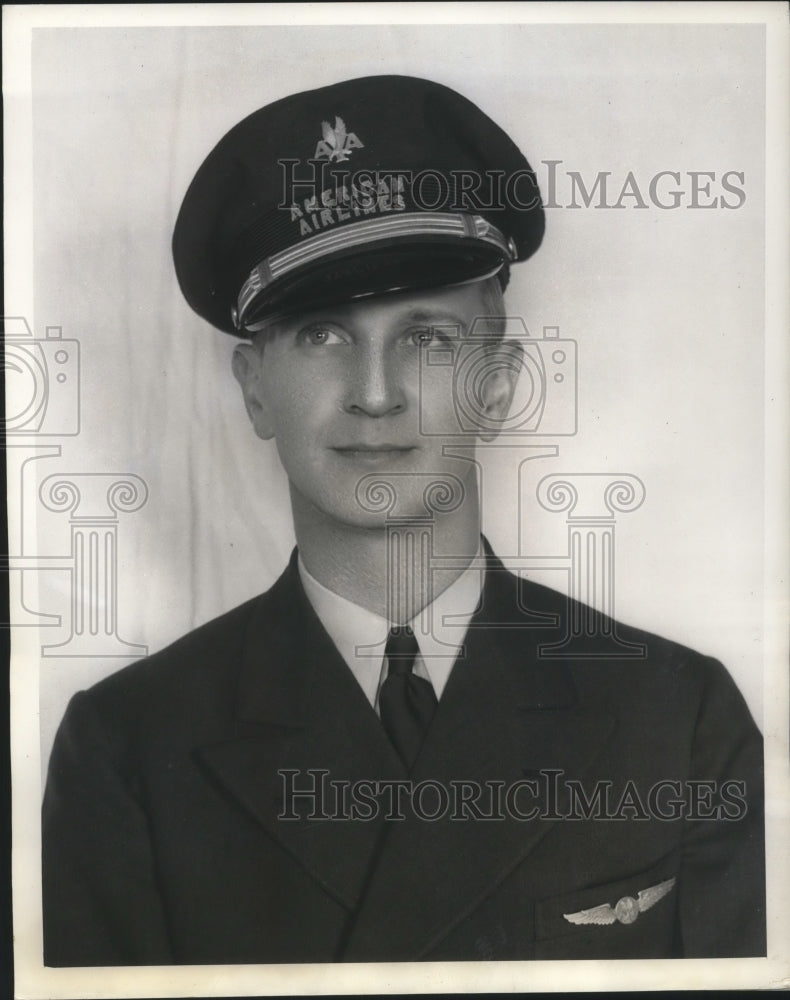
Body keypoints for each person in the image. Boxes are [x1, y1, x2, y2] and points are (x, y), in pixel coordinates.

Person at [42, 74, 765, 965]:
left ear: (498, 385)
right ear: (254, 388)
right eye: (321, 334)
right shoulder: (127, 750)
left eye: (426, 337)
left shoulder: (679, 720)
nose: (376, 395)